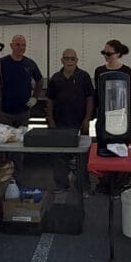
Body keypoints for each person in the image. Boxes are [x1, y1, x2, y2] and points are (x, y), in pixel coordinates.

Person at [46, 48, 94, 193]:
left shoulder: (84, 76)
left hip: (79, 123)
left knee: (82, 157)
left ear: (77, 60)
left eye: (72, 58)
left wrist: (87, 118)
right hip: (60, 123)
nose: (69, 61)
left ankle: (83, 187)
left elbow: (90, 98)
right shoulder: (55, 78)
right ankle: (62, 184)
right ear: (62, 60)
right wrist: (51, 119)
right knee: (59, 156)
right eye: (66, 58)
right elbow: (50, 100)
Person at [93, 39, 131, 139]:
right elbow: (98, 95)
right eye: (103, 53)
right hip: (105, 114)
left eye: (108, 54)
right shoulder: (99, 71)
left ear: (118, 54)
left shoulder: (127, 71)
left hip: (123, 114)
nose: (105, 56)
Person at [0, 34, 43, 128]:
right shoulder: (1, 63)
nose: (21, 47)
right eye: (17, 45)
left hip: (24, 112)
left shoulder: (29, 63)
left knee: (22, 140)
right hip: (5, 112)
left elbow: (40, 80)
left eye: (23, 45)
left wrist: (35, 97)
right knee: (5, 139)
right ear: (11, 46)